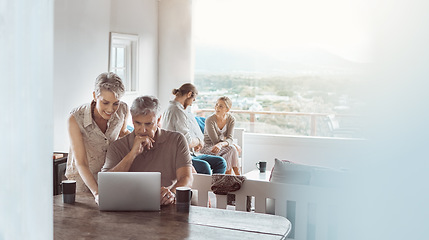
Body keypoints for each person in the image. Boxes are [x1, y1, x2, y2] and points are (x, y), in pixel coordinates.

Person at [101, 96, 193, 205]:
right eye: (138, 123)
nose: (143, 130)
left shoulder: (177, 140)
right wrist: (132, 154)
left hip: (166, 205)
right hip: (127, 206)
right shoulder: (117, 146)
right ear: (132, 120)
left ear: (158, 119)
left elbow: (186, 177)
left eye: (149, 124)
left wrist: (171, 194)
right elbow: (106, 184)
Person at [65, 72, 130, 204]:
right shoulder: (75, 118)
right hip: (82, 184)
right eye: (105, 102)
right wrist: (97, 193)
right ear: (95, 96)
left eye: (115, 103)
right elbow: (81, 162)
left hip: (109, 178)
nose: (110, 109)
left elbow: (123, 133)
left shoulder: (123, 110)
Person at [162, 83, 227, 175]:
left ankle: (215, 188)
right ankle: (206, 189)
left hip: (189, 155)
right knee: (205, 166)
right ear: (189, 94)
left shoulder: (172, 108)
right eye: (193, 99)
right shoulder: (177, 111)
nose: (193, 102)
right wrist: (199, 141)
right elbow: (186, 142)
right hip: (178, 157)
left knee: (220, 162)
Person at [200, 96, 241, 175]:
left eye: (221, 106)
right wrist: (230, 144)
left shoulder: (231, 119)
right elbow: (215, 141)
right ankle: (237, 175)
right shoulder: (210, 120)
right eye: (216, 105)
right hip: (209, 147)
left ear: (227, 109)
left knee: (229, 152)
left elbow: (230, 138)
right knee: (232, 149)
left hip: (221, 147)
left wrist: (226, 143)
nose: (217, 108)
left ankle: (226, 176)